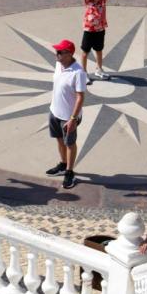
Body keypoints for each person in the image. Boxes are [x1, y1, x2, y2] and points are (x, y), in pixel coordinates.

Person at [44, 39, 87, 189]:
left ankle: (69, 172)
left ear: (69, 54)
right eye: (57, 51)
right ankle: (63, 164)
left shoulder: (78, 73)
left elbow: (80, 97)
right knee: (59, 140)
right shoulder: (58, 65)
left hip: (69, 117)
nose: (57, 54)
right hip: (55, 111)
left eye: (60, 52)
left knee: (69, 143)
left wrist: (73, 119)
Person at [78, 0, 121, 80]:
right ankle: (84, 73)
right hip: (88, 31)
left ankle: (99, 69)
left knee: (99, 50)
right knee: (85, 52)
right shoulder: (88, 1)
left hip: (100, 30)